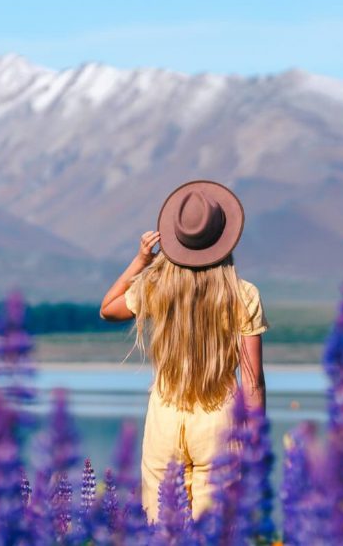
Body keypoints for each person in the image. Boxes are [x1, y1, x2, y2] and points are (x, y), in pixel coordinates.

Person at [99, 180, 268, 522]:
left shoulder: (157, 285)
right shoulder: (243, 293)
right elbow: (252, 382)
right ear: (224, 239)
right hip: (220, 417)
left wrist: (141, 259)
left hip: (165, 414)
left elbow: (108, 309)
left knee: (162, 529)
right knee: (218, 531)